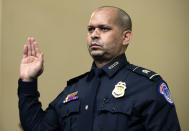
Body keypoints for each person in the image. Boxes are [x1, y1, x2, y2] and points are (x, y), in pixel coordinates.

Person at [18, 6, 181, 131]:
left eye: (104, 28)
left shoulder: (147, 86)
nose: (94, 34)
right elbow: (38, 128)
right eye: (90, 29)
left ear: (126, 37)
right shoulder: (74, 90)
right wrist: (28, 81)